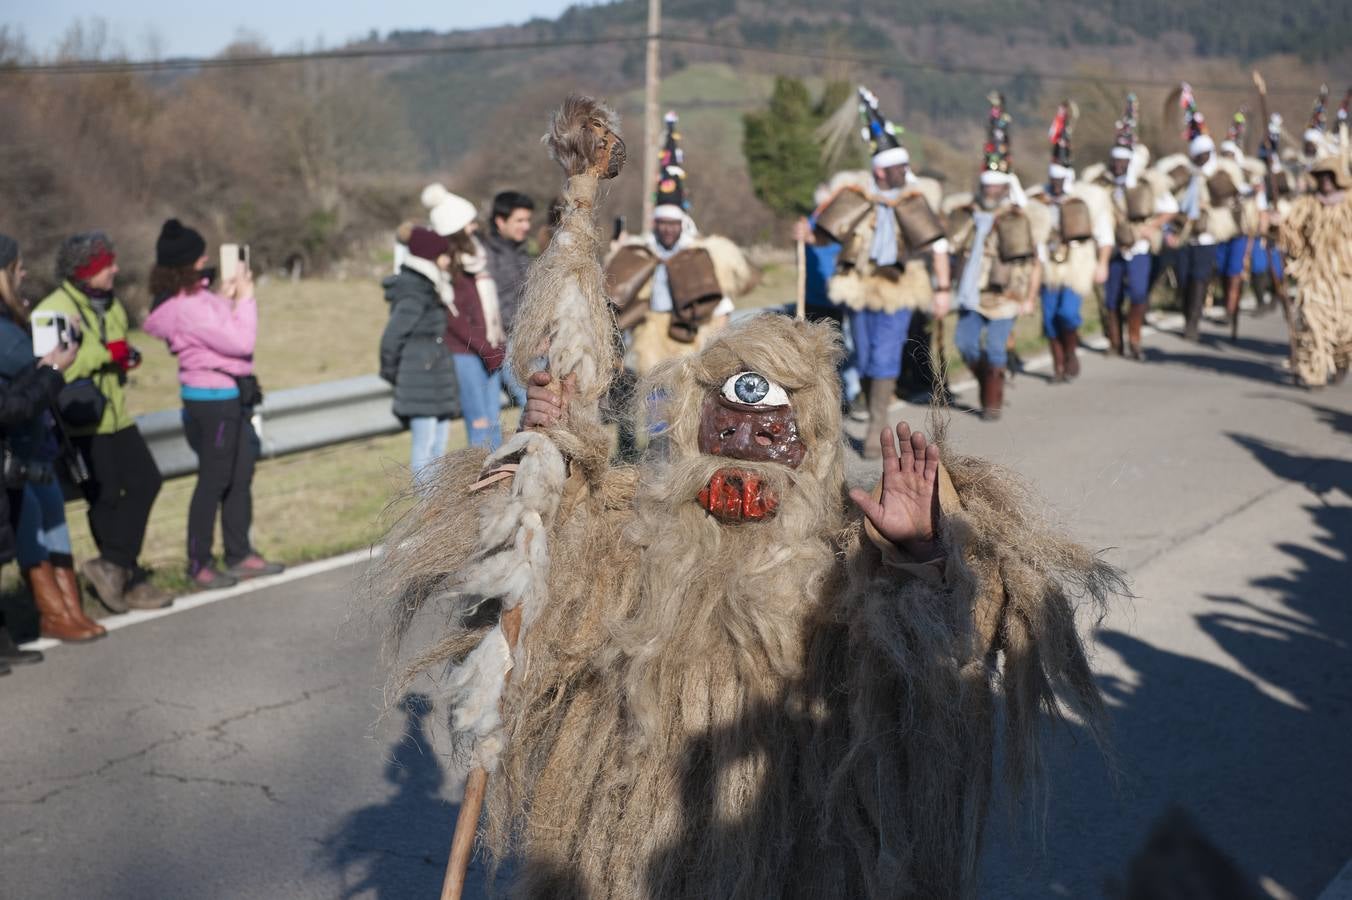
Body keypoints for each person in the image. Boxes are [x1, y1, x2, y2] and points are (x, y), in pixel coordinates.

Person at [377, 95, 1121, 897]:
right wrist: (538, 470)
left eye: (774, 437)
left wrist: (921, 565)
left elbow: (934, 679)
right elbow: (533, 584)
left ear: (816, 444)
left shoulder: (846, 566)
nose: (746, 465)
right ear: (693, 431)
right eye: (725, 431)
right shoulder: (638, 538)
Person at [142, 219, 283, 589]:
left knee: (238, 475)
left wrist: (228, 295)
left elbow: (222, 335)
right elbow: (240, 343)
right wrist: (247, 297)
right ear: (185, 264)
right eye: (200, 255)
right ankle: (198, 561)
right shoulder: (187, 308)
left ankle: (239, 554)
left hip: (227, 396)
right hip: (213, 401)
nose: (207, 258)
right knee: (214, 480)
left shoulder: (198, 299)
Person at [34, 233, 167, 613]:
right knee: (104, 499)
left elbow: (117, 346)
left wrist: (126, 357)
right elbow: (55, 362)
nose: (116, 269)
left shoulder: (109, 304)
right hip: (80, 422)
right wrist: (106, 353)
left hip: (116, 414)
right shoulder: (53, 309)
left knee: (147, 481)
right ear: (86, 271)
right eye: (107, 264)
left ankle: (113, 567)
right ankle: (129, 579)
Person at [815, 86, 950, 456]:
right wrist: (806, 233)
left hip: (898, 286)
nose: (905, 173)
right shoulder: (856, 195)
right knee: (864, 348)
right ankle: (865, 404)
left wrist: (942, 290)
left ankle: (876, 425)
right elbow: (823, 230)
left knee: (886, 351)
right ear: (880, 170)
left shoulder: (914, 198)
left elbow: (938, 246)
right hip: (859, 284)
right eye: (897, 168)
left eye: (904, 167)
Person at [0, 234, 99, 660]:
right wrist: (55, 363)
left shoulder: (14, 316)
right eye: (16, 265)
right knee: (30, 525)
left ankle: (66, 608)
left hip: (34, 441)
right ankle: (52, 611)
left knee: (50, 515)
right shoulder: (6, 329)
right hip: (17, 443)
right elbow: (28, 367)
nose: (24, 271)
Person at [606, 111, 757, 376]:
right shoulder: (644, 251)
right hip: (652, 333)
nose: (667, 230)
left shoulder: (700, 254)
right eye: (662, 224)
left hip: (690, 333)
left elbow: (719, 303)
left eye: (672, 224)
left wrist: (716, 340)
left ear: (681, 224)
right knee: (654, 392)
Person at [946, 92, 1045, 421]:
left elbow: (1034, 261)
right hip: (970, 294)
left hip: (1006, 296)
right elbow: (950, 249)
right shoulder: (966, 212)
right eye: (986, 186)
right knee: (965, 344)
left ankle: (993, 400)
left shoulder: (1021, 218)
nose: (990, 191)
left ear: (1005, 187)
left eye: (996, 187)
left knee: (995, 348)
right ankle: (987, 378)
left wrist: (1030, 297)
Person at [1080, 94, 1177, 359]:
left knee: (1137, 293)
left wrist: (1152, 227)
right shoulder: (1102, 184)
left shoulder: (1145, 184)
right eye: (1116, 161)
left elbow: (1170, 208)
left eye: (1123, 162)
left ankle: (1135, 340)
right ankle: (1114, 341)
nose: (1118, 166)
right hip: (1112, 249)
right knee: (1111, 299)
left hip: (1139, 246)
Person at [1030, 100, 1113, 382]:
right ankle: (1057, 365)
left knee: (1067, 313)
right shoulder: (1038, 198)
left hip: (1077, 262)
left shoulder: (1088, 198)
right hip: (1048, 264)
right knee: (1050, 318)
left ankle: (1071, 351)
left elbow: (1104, 233)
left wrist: (1102, 263)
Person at [1157, 83, 1245, 342]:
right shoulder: (1183, 173)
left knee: (1199, 279)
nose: (1203, 158)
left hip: (1207, 238)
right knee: (1183, 279)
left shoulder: (1221, 175)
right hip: (1184, 237)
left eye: (1206, 153)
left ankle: (1192, 322)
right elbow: (1168, 201)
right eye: (1200, 154)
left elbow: (1233, 200)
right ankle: (1187, 314)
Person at [424, 186, 509, 450]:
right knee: (480, 425)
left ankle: (497, 484)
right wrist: (487, 349)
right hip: (466, 353)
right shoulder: (445, 268)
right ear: (458, 228)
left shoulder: (476, 262)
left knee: (493, 423)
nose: (475, 228)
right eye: (469, 223)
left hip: (489, 349)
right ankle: (482, 486)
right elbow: (455, 321)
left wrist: (494, 347)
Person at [380, 226, 460, 476]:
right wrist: (394, 373)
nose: (448, 260)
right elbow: (392, 337)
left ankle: (436, 507)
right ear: (430, 257)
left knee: (438, 447)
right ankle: (426, 507)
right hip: (420, 378)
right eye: (443, 255)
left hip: (434, 377)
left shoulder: (431, 286)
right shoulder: (415, 291)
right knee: (424, 447)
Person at [1279, 151, 1352, 387]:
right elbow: (1292, 235)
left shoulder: (1350, 203)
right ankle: (1314, 371)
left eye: (1329, 176)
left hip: (1345, 277)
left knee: (1346, 327)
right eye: (1321, 176)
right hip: (1316, 276)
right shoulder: (1308, 204)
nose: (1325, 181)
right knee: (1313, 322)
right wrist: (1276, 227)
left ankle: (1341, 361)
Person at [482, 190, 535, 407]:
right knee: (533, 404)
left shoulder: (523, 254)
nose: (526, 226)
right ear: (500, 221)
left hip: (528, 341)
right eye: (519, 220)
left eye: (528, 220)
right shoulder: (485, 255)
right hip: (504, 343)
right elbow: (489, 304)